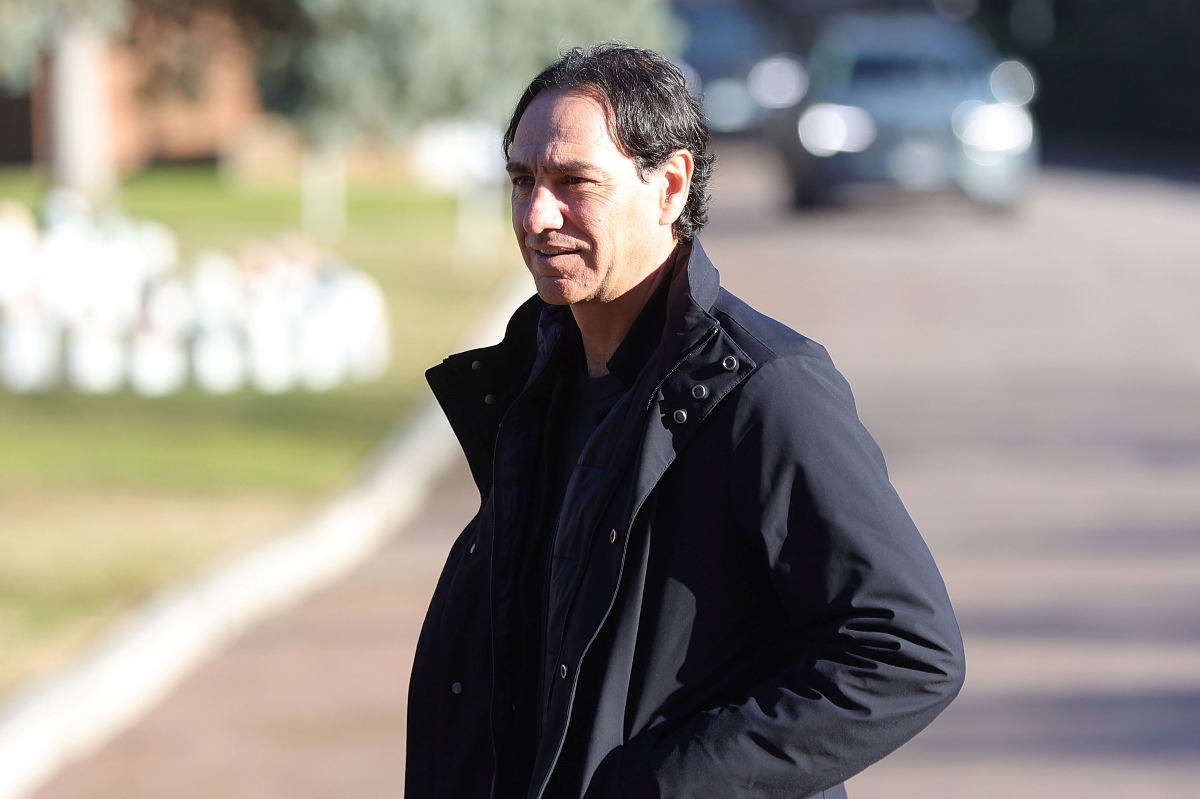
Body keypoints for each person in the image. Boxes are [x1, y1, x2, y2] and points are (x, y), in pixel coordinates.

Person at [407, 43, 964, 799]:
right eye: (521, 179)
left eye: (574, 182)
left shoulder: (766, 390)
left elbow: (905, 647)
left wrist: (668, 785)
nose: (537, 215)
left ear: (669, 185)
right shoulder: (534, 381)